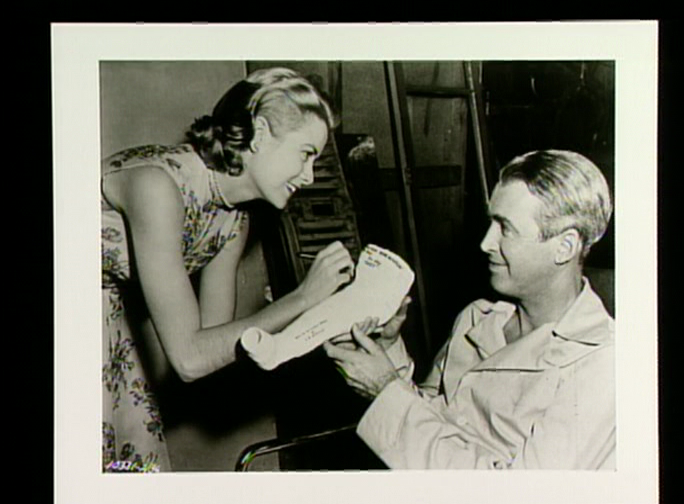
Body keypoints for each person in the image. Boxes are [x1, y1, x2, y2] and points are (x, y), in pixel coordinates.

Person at [101, 67, 355, 473]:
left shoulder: (233, 221)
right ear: (260, 132)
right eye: (306, 153)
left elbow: (211, 351)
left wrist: (317, 318)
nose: (309, 177)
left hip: (105, 325)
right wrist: (302, 299)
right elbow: (189, 358)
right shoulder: (159, 188)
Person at [324, 149, 615, 470]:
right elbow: (432, 417)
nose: (486, 243)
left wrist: (384, 390)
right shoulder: (478, 318)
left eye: (505, 228)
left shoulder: (601, 368)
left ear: (564, 247)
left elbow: (517, 493)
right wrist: (387, 351)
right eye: (491, 223)